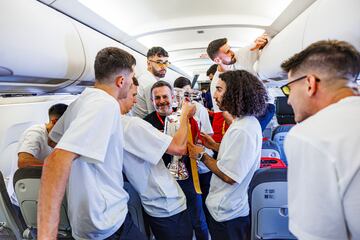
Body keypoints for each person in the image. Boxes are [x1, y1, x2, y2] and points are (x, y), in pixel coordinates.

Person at [37, 47, 147, 239]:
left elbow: (53, 139)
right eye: (131, 78)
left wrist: (85, 154)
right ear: (121, 81)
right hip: (107, 221)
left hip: (84, 221)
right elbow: (55, 161)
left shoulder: (80, 102)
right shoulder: (106, 104)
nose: (131, 84)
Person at [280, 40, 360, 240]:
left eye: (288, 88)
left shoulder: (309, 135)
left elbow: (319, 235)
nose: (288, 100)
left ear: (310, 83)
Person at [188, 70, 268, 240]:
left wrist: (201, 155)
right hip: (228, 208)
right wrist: (214, 145)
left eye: (219, 89)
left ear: (235, 93)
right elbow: (237, 155)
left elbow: (229, 175)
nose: (214, 95)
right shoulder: (244, 121)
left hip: (228, 213)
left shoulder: (242, 130)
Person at [119, 77, 194, 240]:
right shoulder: (133, 124)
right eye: (133, 95)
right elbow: (179, 149)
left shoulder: (112, 124)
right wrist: (185, 116)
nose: (135, 101)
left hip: (154, 201)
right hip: (166, 202)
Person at [144, 80, 209, 240]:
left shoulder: (184, 117)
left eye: (165, 96)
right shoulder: (146, 123)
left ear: (172, 97)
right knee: (174, 222)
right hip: (162, 180)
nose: (161, 101)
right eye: (156, 98)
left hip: (187, 176)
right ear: (152, 101)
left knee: (198, 218)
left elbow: (196, 141)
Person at [6, 103, 67, 223]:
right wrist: (57, 167)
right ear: (55, 122)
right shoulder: (35, 133)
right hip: (23, 197)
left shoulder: (57, 137)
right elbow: (24, 161)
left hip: (38, 193)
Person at [206, 34, 269, 142]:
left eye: (230, 49)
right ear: (217, 60)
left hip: (264, 105)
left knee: (249, 138)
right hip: (244, 113)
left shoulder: (242, 54)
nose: (232, 53)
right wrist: (237, 129)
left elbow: (262, 40)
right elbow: (224, 112)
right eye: (227, 52)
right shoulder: (216, 83)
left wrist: (264, 40)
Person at [174, 76, 214, 224]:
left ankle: (208, 223)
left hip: (202, 161)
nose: (185, 98)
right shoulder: (176, 111)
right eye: (181, 95)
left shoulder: (200, 109)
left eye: (187, 94)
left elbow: (208, 134)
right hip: (187, 162)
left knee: (206, 196)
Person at [132, 46, 171, 118]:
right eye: (159, 62)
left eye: (166, 63)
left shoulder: (145, 78)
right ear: (149, 63)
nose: (163, 67)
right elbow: (156, 115)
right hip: (146, 123)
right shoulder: (149, 83)